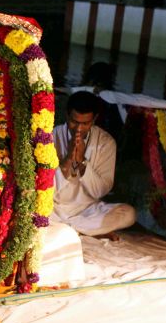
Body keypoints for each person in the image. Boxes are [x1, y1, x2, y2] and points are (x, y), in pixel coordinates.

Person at [51, 91, 136, 239]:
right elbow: (48, 189)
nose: (78, 129)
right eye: (74, 122)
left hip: (88, 210)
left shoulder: (106, 142)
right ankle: (87, 230)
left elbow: (100, 191)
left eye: (85, 123)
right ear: (67, 116)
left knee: (129, 214)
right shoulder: (51, 136)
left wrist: (82, 161)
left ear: (94, 119)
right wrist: (68, 159)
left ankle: (68, 228)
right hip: (54, 208)